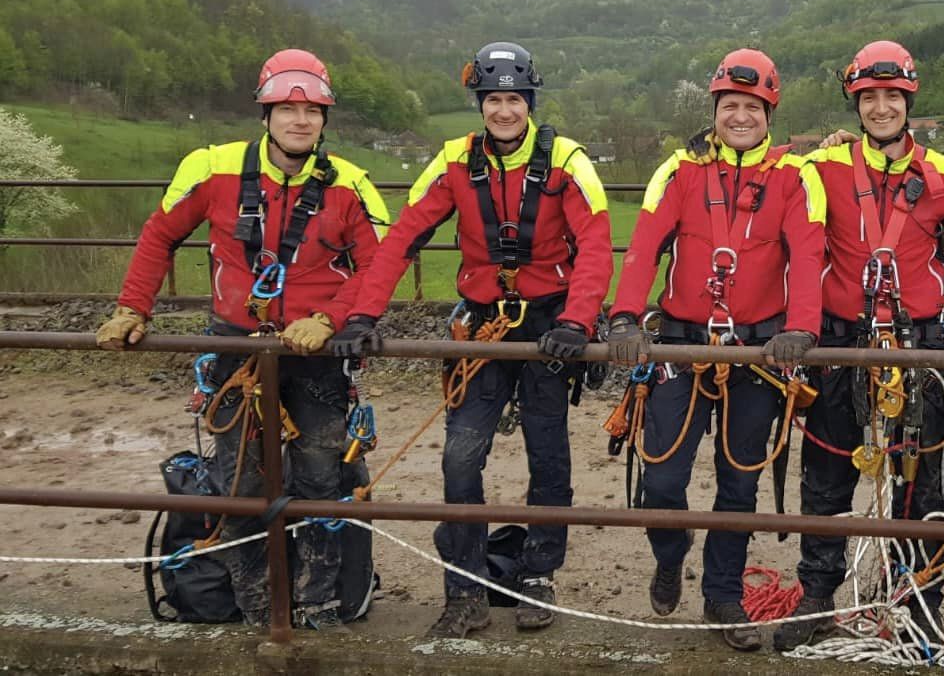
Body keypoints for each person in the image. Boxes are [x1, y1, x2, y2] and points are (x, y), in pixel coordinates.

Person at [95, 49, 390, 629]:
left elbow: (377, 268)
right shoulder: (211, 168)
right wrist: (133, 308)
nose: (300, 120)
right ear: (266, 112)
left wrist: (331, 319)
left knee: (320, 476)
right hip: (236, 346)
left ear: (326, 119)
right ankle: (258, 605)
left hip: (315, 352)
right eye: (287, 108)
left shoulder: (349, 184)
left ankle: (319, 602)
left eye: (312, 110)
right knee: (239, 481)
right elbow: (160, 235)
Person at [329, 41, 613, 638]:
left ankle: (538, 578)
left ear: (529, 102)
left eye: (513, 99)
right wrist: (363, 315)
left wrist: (577, 321)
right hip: (482, 324)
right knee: (461, 455)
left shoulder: (567, 160)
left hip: (549, 325)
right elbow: (403, 237)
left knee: (549, 454)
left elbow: (594, 246)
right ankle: (463, 588)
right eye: (493, 100)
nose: (504, 111)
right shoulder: (454, 161)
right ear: (480, 104)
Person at [607, 48, 826, 653]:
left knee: (739, 484)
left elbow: (808, 256)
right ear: (715, 109)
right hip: (681, 344)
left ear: (769, 112)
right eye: (730, 105)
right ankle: (670, 553)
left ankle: (723, 595)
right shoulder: (678, 170)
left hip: (758, 351)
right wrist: (626, 316)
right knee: (662, 478)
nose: (740, 116)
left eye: (752, 107)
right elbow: (646, 244)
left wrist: (801, 328)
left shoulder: (794, 175)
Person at [774, 41, 944, 652]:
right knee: (827, 475)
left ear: (908, 100)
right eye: (870, 98)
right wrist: (812, 145)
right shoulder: (822, 169)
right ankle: (816, 596)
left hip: (920, 345)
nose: (882, 107)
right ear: (855, 103)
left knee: (927, 484)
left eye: (892, 96)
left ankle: (919, 605)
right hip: (843, 340)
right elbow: (765, 166)